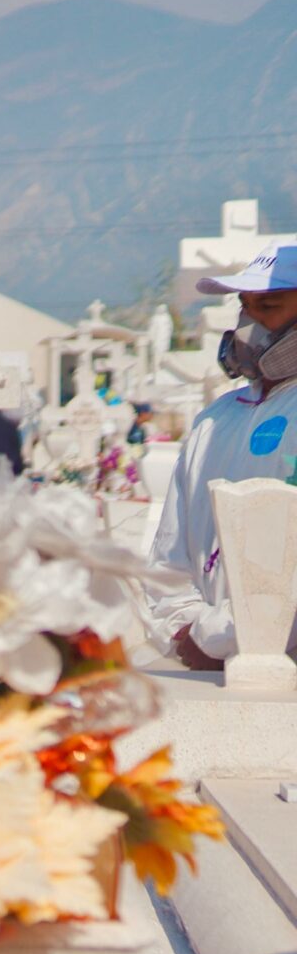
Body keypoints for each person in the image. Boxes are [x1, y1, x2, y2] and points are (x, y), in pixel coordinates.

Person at [150, 247, 297, 670]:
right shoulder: (214, 421)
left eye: (268, 306)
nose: (247, 326)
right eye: (244, 307)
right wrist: (185, 629)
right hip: (218, 674)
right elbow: (169, 561)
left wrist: (217, 637)